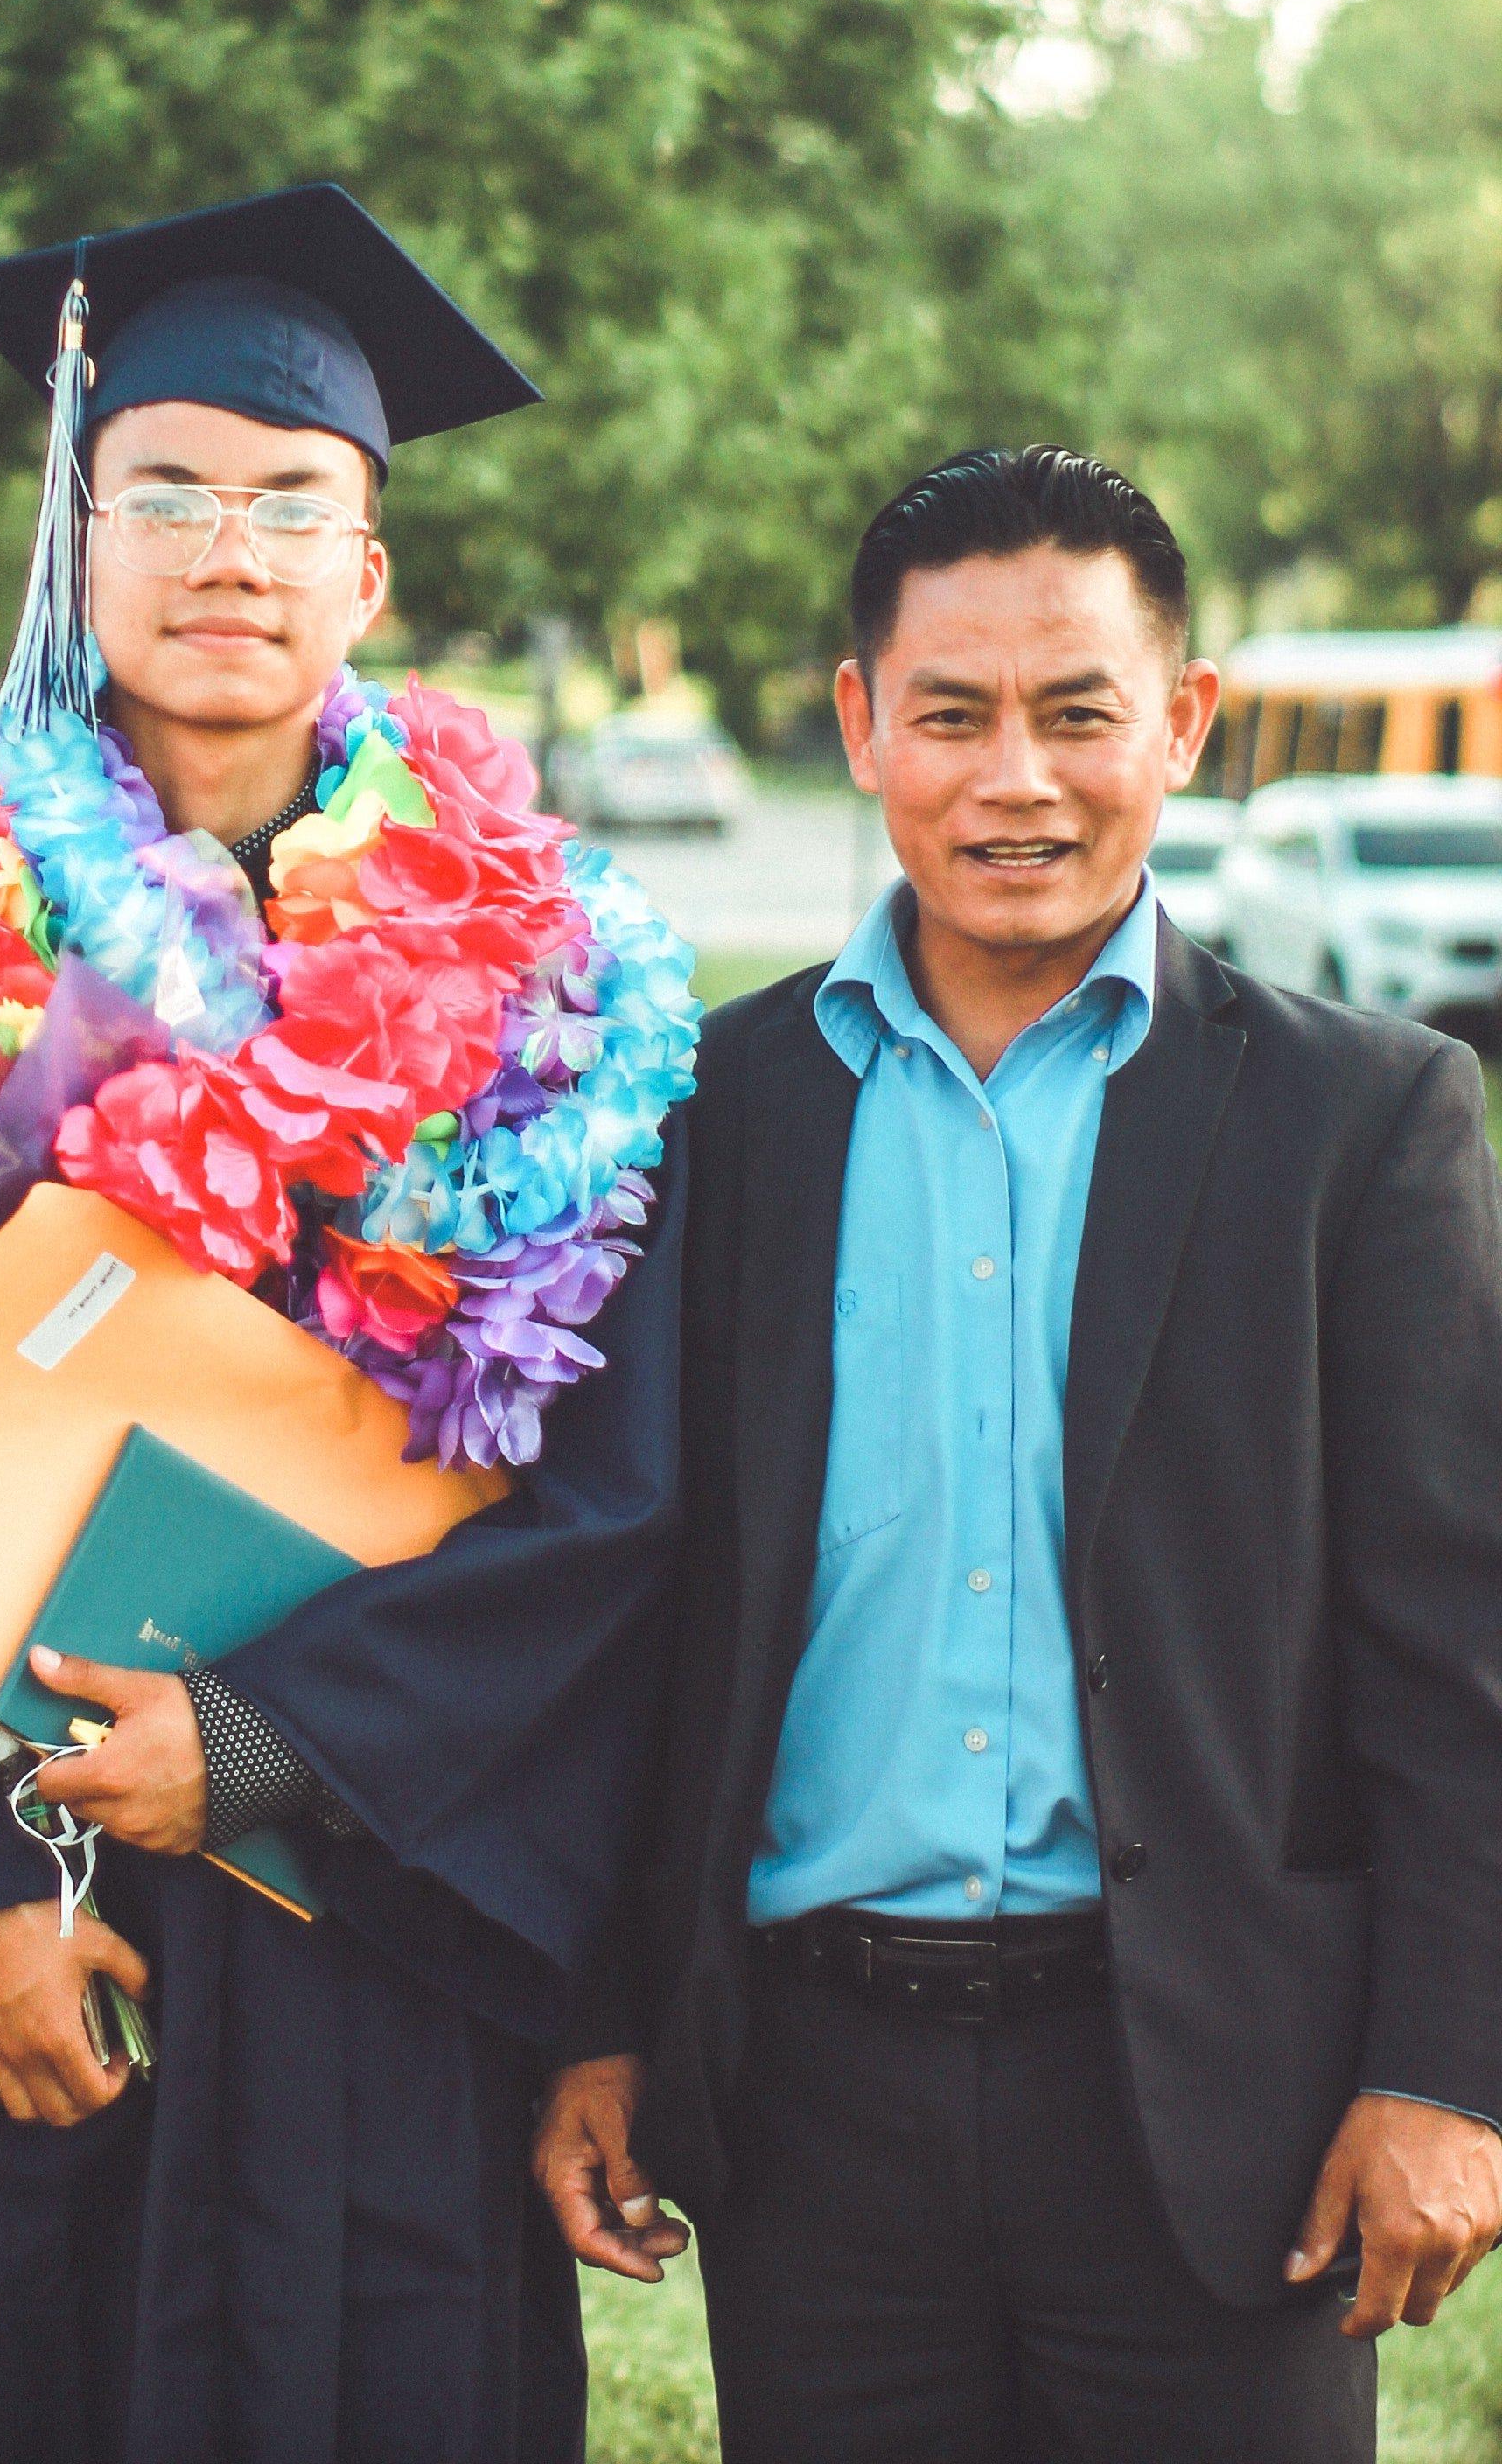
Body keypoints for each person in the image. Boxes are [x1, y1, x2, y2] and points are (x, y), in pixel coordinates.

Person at [0, 185, 693, 2464]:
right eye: (161, 491)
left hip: (368, 1927)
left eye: (292, 504)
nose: (226, 549)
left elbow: (616, 1496)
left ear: (372, 570)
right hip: (10, 1936)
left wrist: (266, 1746)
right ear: (75, 538)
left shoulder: (548, 996)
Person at [533, 445, 1502, 2463]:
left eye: (1077, 714)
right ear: (856, 724)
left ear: (1182, 721)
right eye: (951, 715)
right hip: (806, 2101)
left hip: (1215, 2095)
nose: (1015, 782)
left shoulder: (1361, 1125)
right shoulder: (702, 1115)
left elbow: (1451, 1653)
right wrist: (604, 2016)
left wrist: (1448, 2071)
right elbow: (641, 1616)